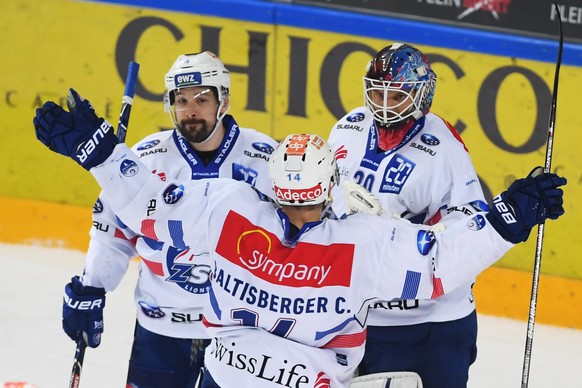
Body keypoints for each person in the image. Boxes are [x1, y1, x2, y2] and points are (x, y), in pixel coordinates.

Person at [33, 93, 565, 387]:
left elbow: (148, 205)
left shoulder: (229, 209)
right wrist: (510, 217)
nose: (296, 213)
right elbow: (439, 265)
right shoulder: (361, 238)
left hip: (228, 378)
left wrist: (99, 154)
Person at [58, 52, 278, 387]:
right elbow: (113, 233)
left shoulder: (264, 157)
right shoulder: (146, 157)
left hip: (241, 334)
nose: (190, 109)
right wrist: (92, 286)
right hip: (161, 328)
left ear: (224, 101)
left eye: (202, 99)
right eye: (181, 100)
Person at [328, 42, 488, 387]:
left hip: (431, 323)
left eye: (396, 96)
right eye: (377, 94)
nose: (384, 106)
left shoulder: (444, 147)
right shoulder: (347, 128)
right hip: (357, 316)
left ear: (422, 93)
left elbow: (470, 230)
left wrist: (397, 231)